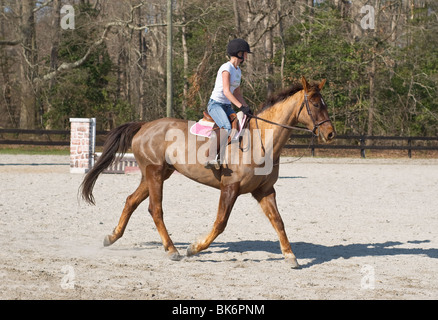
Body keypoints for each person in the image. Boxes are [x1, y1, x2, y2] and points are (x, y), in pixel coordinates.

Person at [205, 38, 252, 169]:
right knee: (226, 128)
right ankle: (210, 157)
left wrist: (247, 107)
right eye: (245, 53)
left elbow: (237, 93)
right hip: (215, 104)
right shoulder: (226, 68)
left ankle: (225, 156)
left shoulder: (238, 71)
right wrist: (240, 106)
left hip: (226, 106)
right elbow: (226, 91)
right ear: (239, 53)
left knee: (239, 126)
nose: (246, 56)